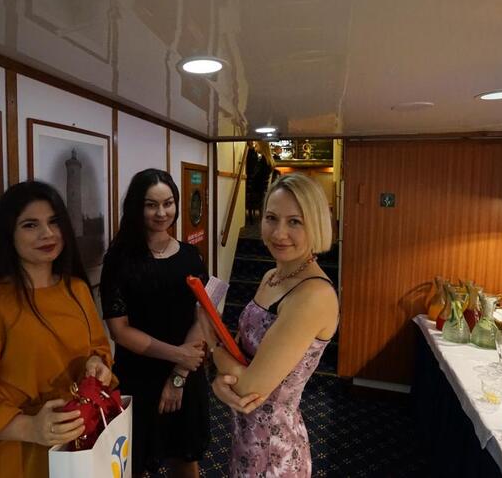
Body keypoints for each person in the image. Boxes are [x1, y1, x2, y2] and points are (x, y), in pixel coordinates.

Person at [0, 181, 114, 478]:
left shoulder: (77, 289)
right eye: (31, 225)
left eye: (54, 222)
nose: (48, 234)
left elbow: (99, 348)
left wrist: (98, 364)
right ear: (9, 234)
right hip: (22, 457)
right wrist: (30, 427)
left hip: (83, 444)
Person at [204, 173, 339, 478]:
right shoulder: (271, 277)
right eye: (271, 218)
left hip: (275, 452)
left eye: (295, 222)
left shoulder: (313, 295)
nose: (279, 233)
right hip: (245, 434)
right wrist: (222, 380)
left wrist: (211, 346)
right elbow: (241, 351)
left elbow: (249, 386)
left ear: (316, 224)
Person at [100, 168, 209, 477]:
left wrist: (178, 375)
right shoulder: (119, 260)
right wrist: (177, 355)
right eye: (151, 205)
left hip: (185, 376)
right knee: (131, 461)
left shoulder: (191, 256)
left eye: (168, 203)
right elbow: (120, 330)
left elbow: (203, 316)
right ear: (137, 207)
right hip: (139, 375)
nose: (162, 213)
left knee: (185, 458)